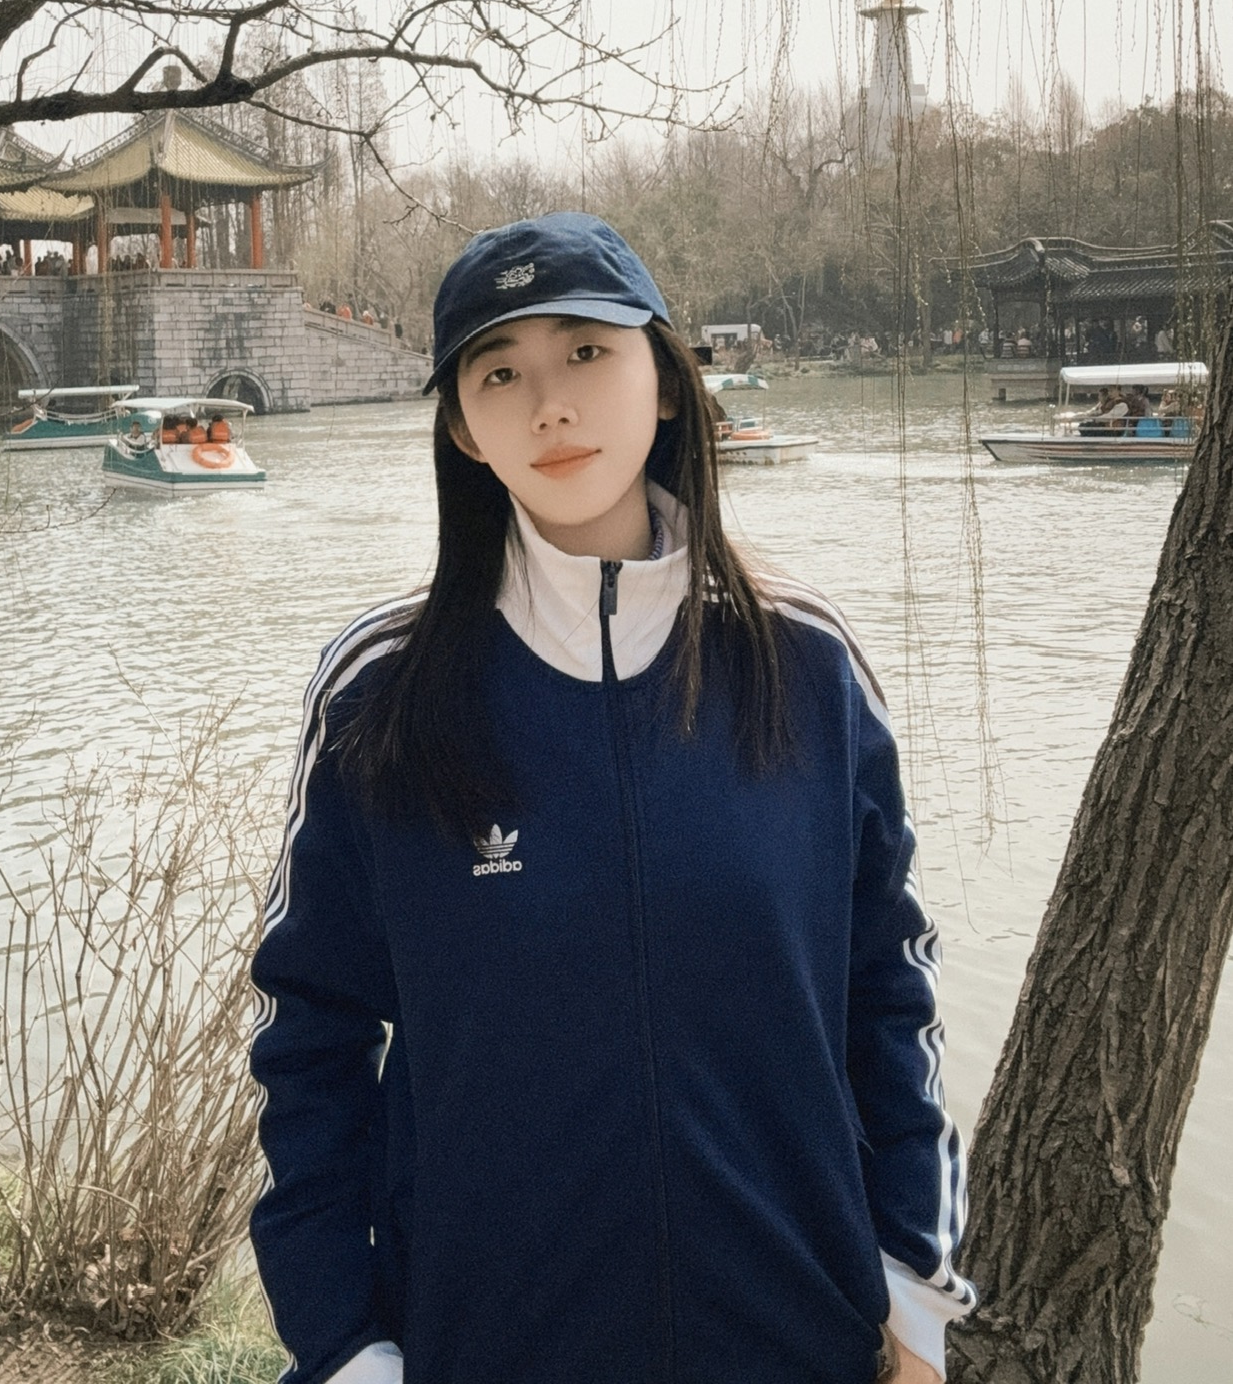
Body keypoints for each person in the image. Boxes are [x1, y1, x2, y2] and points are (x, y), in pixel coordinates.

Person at [250, 213, 972, 1384]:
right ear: (460, 427)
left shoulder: (802, 663)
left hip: (798, 1336)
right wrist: (345, 1344)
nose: (549, 405)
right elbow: (309, 1035)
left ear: (667, 381)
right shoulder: (381, 692)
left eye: (585, 350)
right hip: (482, 1344)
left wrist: (911, 1290)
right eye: (499, 372)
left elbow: (889, 990)